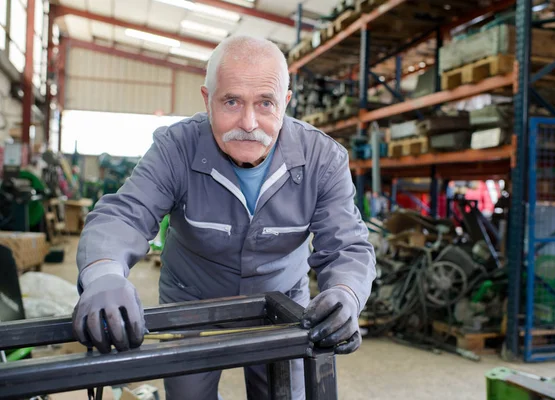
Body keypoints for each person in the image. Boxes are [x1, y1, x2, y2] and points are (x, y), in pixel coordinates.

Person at [72, 35, 376, 400]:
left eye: (265, 103)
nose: (249, 122)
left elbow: (347, 245)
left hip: (281, 304)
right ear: (207, 99)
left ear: (286, 102)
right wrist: (103, 273)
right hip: (190, 305)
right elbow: (124, 215)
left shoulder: (322, 159)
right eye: (232, 101)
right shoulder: (176, 148)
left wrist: (346, 293)